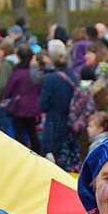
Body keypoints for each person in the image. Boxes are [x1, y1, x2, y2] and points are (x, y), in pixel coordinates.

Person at [39, 39, 78, 169]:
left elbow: (43, 105)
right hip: (72, 125)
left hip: (53, 125)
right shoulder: (74, 76)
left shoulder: (50, 79)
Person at [0, 44, 42, 152]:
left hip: (19, 107)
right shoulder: (35, 72)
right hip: (34, 107)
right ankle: (37, 153)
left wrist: (5, 98)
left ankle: (22, 154)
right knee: (33, 132)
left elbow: (9, 90)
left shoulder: (17, 73)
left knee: (19, 133)